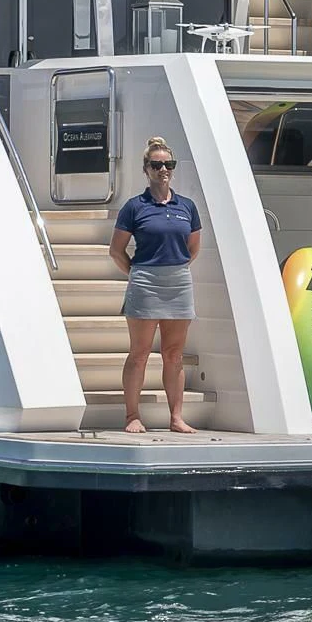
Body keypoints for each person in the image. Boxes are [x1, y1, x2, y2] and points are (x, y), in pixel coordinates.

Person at [109, 137, 203, 434]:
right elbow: (116, 250)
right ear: (146, 169)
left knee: (174, 354)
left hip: (178, 282)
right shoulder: (134, 207)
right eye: (157, 164)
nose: (163, 169)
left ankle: (176, 417)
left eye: (168, 164)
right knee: (139, 353)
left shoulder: (186, 206)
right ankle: (131, 416)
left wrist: (173, 269)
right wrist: (136, 273)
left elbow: (193, 249)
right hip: (145, 281)